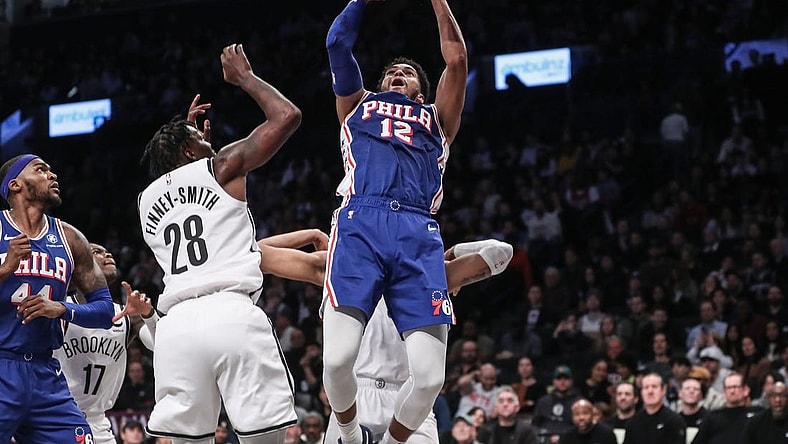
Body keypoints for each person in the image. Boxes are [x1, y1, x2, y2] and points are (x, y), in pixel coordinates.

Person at [137, 43, 302, 443]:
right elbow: (287, 116)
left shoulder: (144, 199)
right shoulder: (221, 167)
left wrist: (189, 139)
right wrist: (244, 78)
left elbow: (180, 180)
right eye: (199, 138)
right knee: (263, 436)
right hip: (230, 315)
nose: (209, 140)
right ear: (186, 150)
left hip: (176, 332)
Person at [322, 0, 468, 443]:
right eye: (391, 73)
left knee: (429, 378)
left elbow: (457, 59)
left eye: (407, 73)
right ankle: (350, 436)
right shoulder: (357, 104)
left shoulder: (437, 118)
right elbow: (337, 43)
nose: (397, 75)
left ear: (421, 93)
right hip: (361, 222)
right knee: (336, 361)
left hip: (417, 230)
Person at [322, 239, 513, 444]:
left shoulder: (434, 276)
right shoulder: (347, 268)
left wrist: (453, 252)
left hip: (410, 398)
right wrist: (312, 235)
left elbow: (501, 251)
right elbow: (293, 262)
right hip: (356, 395)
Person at [0, 154, 114, 442]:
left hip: (45, 374)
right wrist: (5, 268)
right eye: (41, 170)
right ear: (15, 184)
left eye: (51, 170)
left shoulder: (70, 238)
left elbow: (105, 310)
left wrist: (61, 308)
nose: (52, 175)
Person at [53, 242, 157, 444]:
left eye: (108, 252)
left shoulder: (126, 314)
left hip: (99, 422)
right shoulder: (59, 306)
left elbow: (159, 345)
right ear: (79, 263)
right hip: (59, 416)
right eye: (96, 252)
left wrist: (148, 314)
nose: (107, 254)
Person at [692, 372, 763, 444]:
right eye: (728, 388)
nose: (732, 391)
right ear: (724, 392)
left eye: (735, 387)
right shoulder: (712, 417)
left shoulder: (758, 414)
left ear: (746, 390)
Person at [622, 373, 685, 444]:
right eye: (646, 387)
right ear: (641, 392)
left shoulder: (674, 421)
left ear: (663, 390)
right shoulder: (633, 422)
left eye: (654, 387)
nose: (650, 391)